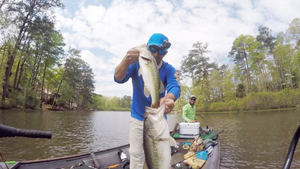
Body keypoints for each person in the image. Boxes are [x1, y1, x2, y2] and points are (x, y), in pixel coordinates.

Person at [114, 33, 180, 169]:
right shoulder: (136, 64)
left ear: (165, 53)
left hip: (158, 119)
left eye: (160, 51)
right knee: (137, 156)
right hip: (138, 118)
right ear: (147, 49)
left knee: (161, 157)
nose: (156, 54)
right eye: (153, 49)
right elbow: (118, 78)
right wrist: (126, 60)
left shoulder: (169, 69)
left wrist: (169, 98)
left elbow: (175, 87)